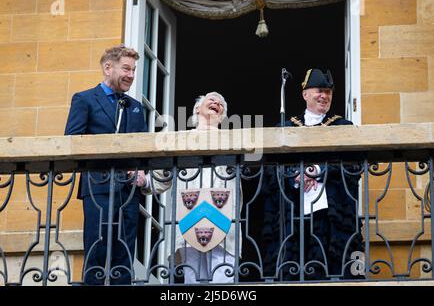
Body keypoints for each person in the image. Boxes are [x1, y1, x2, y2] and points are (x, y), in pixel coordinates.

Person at [261, 69, 363, 280]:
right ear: (305, 94)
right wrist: (294, 175)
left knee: (331, 267)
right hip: (293, 212)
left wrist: (316, 171)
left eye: (328, 92)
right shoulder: (286, 127)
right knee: (294, 267)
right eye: (319, 91)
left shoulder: (342, 126)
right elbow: (271, 168)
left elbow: (353, 165)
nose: (324, 96)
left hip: (331, 212)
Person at [64, 44, 148, 285]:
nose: (131, 75)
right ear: (108, 67)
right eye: (126, 68)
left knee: (125, 252)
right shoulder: (85, 99)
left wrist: (140, 172)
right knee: (97, 248)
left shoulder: (135, 107)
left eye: (133, 70)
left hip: (128, 191)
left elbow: (143, 149)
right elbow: (73, 142)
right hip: (97, 186)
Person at [142, 92, 243, 284]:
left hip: (223, 219)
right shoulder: (180, 139)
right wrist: (143, 181)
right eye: (211, 99)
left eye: (220, 102)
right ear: (197, 108)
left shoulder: (234, 140)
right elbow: (162, 177)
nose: (216, 102)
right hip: (189, 218)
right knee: (192, 280)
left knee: (223, 280)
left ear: (222, 116)